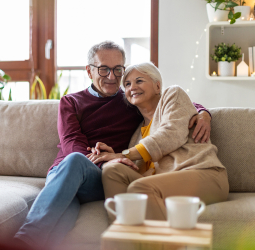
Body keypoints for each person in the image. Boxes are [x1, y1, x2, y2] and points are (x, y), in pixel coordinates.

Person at [11, 41, 213, 250]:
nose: (111, 76)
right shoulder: (70, 102)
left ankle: (20, 242)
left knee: (77, 169)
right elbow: (71, 143)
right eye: (104, 69)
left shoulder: (129, 98)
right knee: (63, 210)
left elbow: (168, 102)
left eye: (118, 69)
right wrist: (109, 159)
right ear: (89, 71)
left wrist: (203, 113)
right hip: (68, 171)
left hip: (104, 177)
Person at [98, 62, 228, 220]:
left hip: (205, 174)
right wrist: (116, 159)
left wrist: (125, 154)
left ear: (157, 86)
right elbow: (141, 168)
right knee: (111, 170)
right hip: (162, 183)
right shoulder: (136, 135)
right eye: (127, 84)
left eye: (139, 81)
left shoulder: (173, 95)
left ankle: (164, 243)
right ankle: (124, 237)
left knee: (141, 187)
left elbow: (171, 134)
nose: (132, 87)